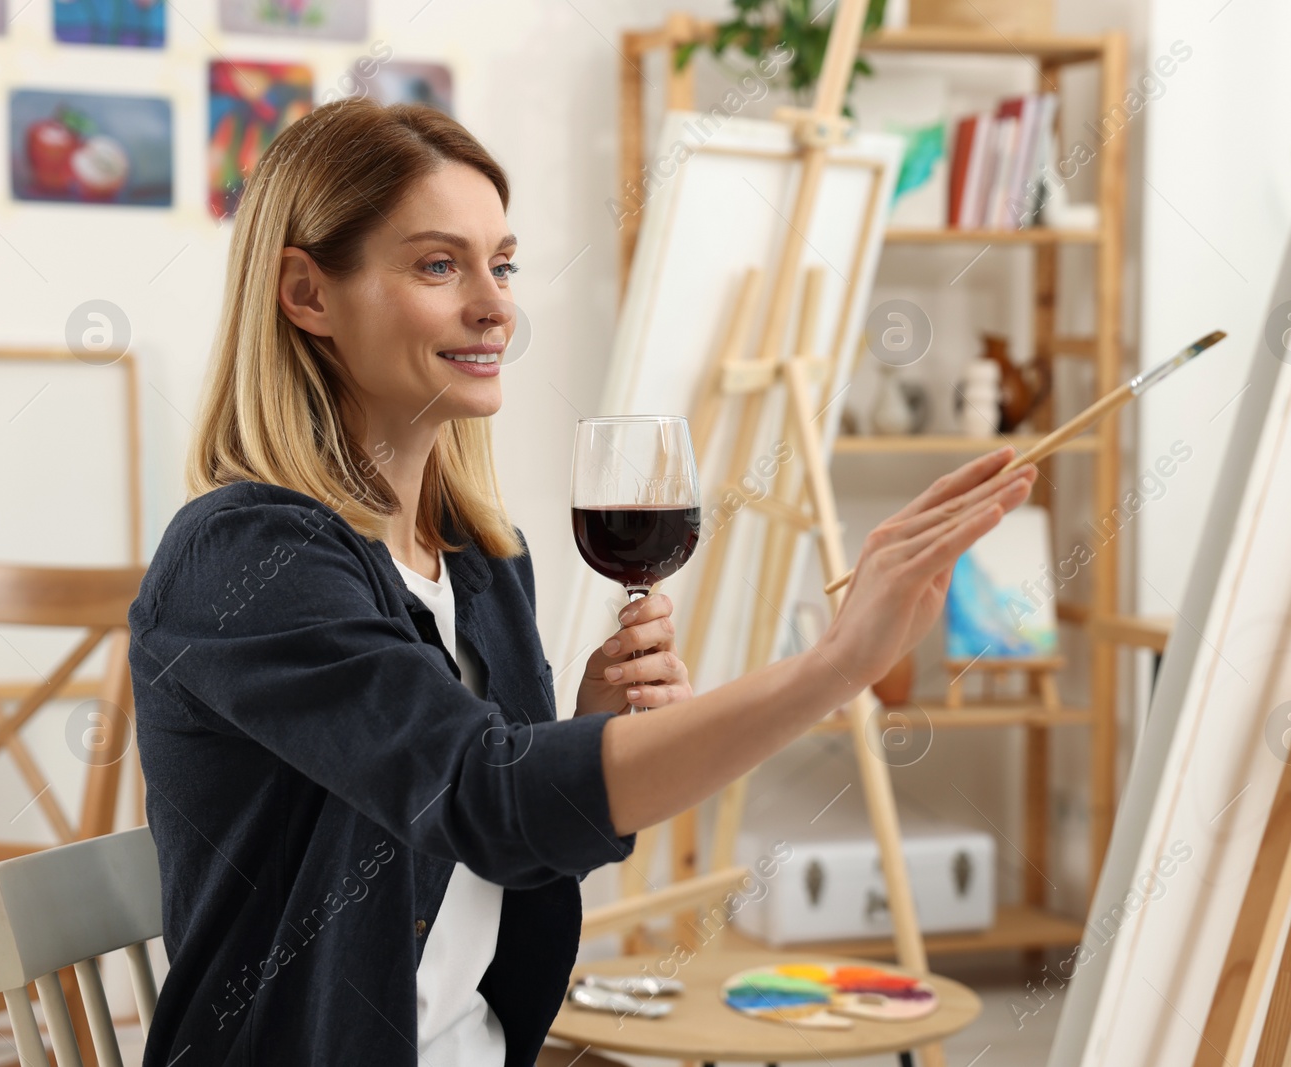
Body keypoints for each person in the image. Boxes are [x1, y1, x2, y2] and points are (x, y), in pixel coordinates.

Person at [127, 97, 1036, 1067]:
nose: (495, 304)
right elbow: (486, 800)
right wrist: (836, 664)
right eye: (440, 264)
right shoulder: (244, 558)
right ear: (306, 294)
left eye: (502, 263)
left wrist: (583, 731)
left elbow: (512, 823)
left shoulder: (478, 559)